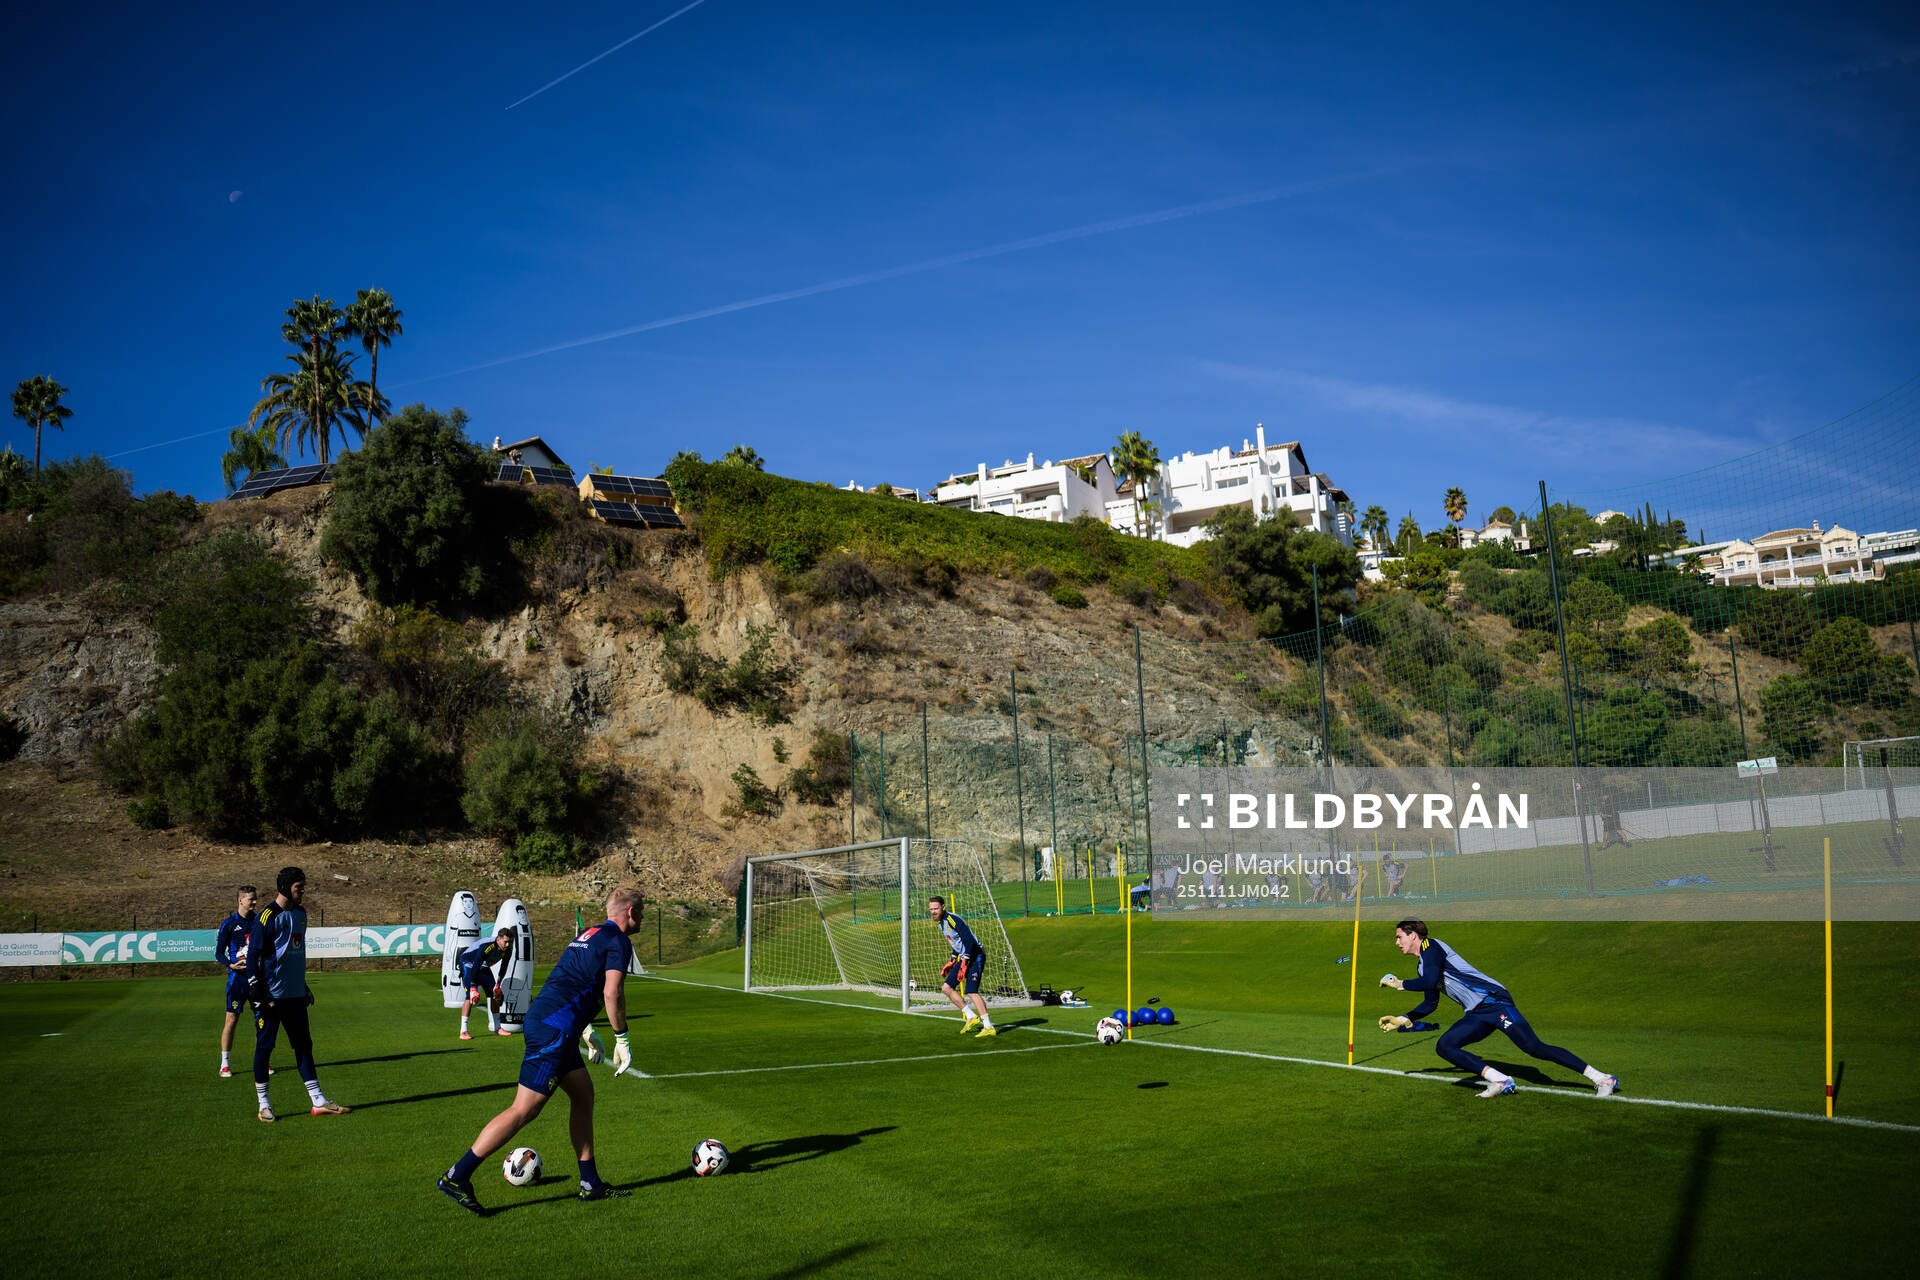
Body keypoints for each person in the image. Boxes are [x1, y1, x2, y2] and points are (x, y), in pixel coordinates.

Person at [438, 888, 644, 1214]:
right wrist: (622, 1038)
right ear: (630, 912)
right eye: (641, 913)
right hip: (553, 1031)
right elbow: (612, 992)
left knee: (583, 1094)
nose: (642, 919)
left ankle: (590, 1183)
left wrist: (587, 1031)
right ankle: (456, 1176)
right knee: (524, 1109)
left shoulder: (587, 934)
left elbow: (568, 983)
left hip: (551, 1022)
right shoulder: (618, 941)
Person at [1379, 918, 1618, 1099]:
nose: (1397, 942)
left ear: (1413, 936)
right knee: (1445, 1046)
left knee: (1534, 1048)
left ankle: (1603, 1079)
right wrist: (1402, 1019)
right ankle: (1501, 1081)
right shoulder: (1423, 967)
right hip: (1476, 1013)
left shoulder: (1431, 947)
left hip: (1494, 1001)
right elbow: (1430, 1002)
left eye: (1399, 937)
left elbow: (1430, 981)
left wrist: (1400, 985)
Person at [246, 866, 350, 1122]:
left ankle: (318, 1101)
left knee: (304, 1046)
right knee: (265, 1047)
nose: (302, 891)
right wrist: (255, 987)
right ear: (285, 888)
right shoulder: (267, 917)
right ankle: (264, 1104)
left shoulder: (302, 914)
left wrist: (302, 985)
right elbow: (253, 955)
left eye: (302, 886)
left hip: (294, 996)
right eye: (298, 887)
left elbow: (295, 953)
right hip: (271, 996)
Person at [928, 896, 994, 1038]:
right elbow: (957, 944)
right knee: (946, 988)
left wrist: (964, 963)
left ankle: (988, 1026)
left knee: (971, 991)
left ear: (943, 907)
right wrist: (952, 961)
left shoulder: (952, 920)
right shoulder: (941, 923)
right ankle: (971, 1017)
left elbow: (969, 941)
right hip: (966, 957)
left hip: (975, 955)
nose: (933, 911)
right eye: (931, 909)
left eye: (936, 908)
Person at [216, 885, 257, 1077]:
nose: (255, 902)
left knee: (262, 1022)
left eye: (255, 899)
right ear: (241, 900)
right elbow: (218, 953)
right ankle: (225, 1064)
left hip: (257, 979)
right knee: (231, 1019)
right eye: (251, 899)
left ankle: (262, 1061)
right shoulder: (229, 924)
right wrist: (231, 965)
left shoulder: (259, 922)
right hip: (237, 980)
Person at [456, 927, 516, 1040]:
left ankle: (497, 1028)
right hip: (469, 963)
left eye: (510, 942)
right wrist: (473, 987)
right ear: (498, 939)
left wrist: (497, 984)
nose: (508, 944)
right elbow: (476, 964)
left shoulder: (508, 949)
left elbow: (504, 967)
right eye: (506, 941)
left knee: (494, 994)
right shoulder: (489, 946)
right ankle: (463, 1031)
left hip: (482, 965)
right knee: (470, 995)